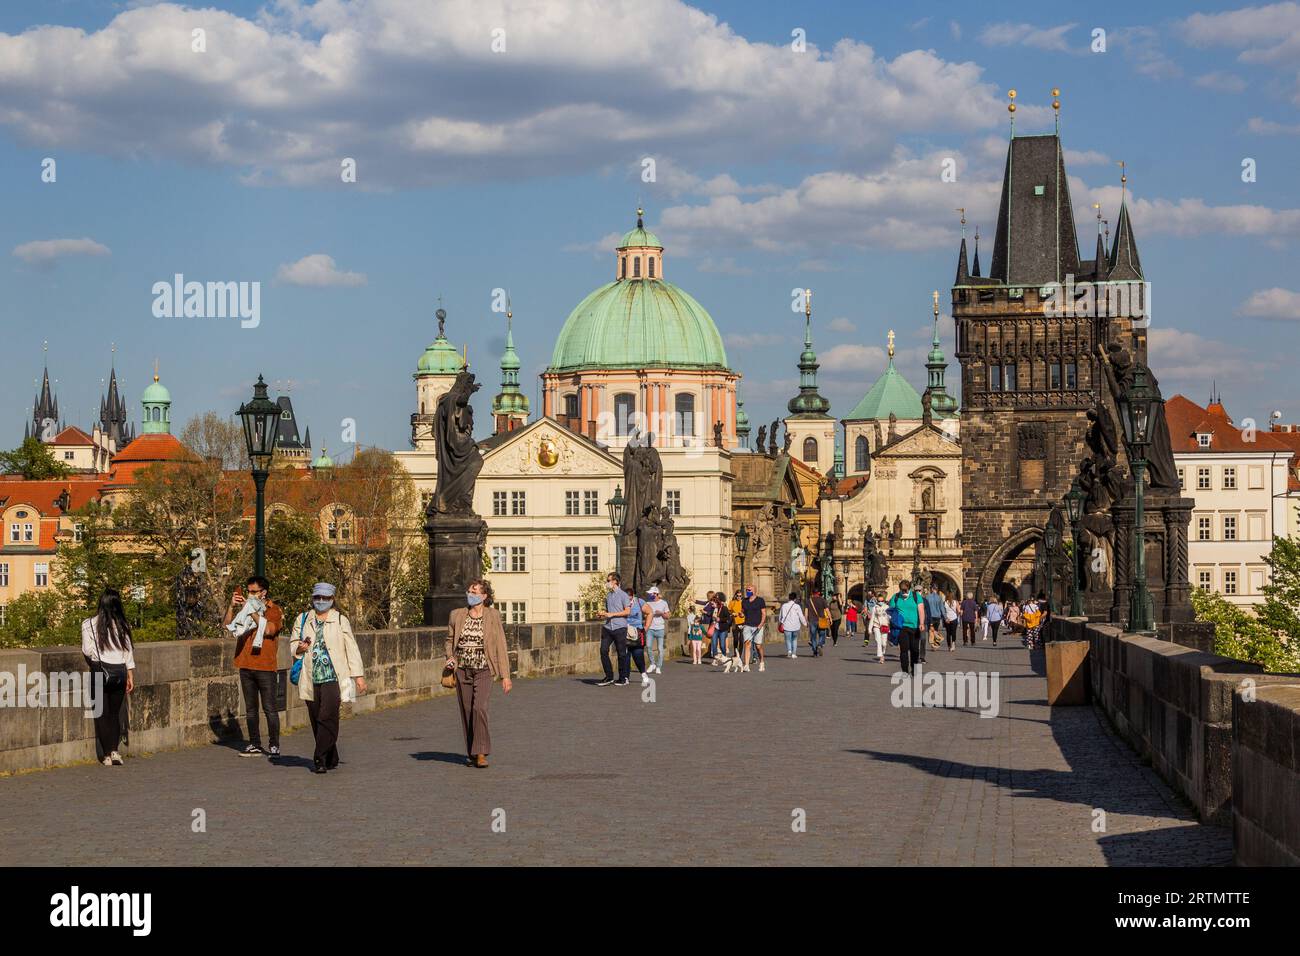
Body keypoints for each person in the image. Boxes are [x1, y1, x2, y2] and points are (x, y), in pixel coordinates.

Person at [292, 583, 366, 774]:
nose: (321, 602)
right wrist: (299, 648)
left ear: (332, 600)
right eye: (318, 598)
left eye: (325, 598)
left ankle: (319, 757)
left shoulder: (340, 620)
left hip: (335, 676)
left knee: (328, 716)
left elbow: (352, 649)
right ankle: (331, 756)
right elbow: (293, 646)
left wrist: (358, 677)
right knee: (316, 717)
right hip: (311, 676)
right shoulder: (303, 619)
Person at [445, 578, 512, 767]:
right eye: (469, 591)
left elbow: (500, 645)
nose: (470, 594)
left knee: (479, 707)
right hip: (462, 669)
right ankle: (472, 753)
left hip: (484, 668)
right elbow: (449, 640)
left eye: (474, 592)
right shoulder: (456, 615)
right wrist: (450, 657)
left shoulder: (493, 615)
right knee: (467, 711)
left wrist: (506, 676)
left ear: (484, 596)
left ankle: (481, 752)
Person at [223, 575, 284, 758]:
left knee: (270, 709)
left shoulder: (273, 610)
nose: (250, 595)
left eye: (254, 592)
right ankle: (254, 743)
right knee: (250, 709)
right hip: (246, 663)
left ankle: (274, 745)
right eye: (248, 591)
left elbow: (268, 630)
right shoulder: (244, 608)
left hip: (265, 666)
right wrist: (232, 606)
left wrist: (251, 611)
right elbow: (227, 626)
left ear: (263, 592)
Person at [81, 589, 136, 766]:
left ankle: (106, 755)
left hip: (99, 670)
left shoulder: (88, 624)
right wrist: (130, 674)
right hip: (119, 672)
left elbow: (87, 651)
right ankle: (114, 751)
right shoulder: (122, 624)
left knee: (101, 714)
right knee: (114, 714)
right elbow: (128, 652)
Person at [596, 572, 631, 686]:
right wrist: (602, 614)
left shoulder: (623, 595)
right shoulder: (608, 595)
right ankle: (609, 676)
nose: (607, 583)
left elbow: (627, 611)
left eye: (608, 580)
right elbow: (608, 612)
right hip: (608, 627)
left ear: (615, 581)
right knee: (603, 651)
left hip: (620, 627)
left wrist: (612, 614)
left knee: (621, 654)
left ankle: (622, 678)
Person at [889, 578, 925, 674]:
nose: (903, 592)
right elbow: (890, 611)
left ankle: (915, 669)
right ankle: (905, 671)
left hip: (915, 627)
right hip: (902, 627)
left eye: (905, 590)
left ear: (909, 588)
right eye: (902, 590)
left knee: (915, 650)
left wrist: (921, 623)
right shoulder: (896, 597)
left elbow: (921, 610)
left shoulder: (916, 596)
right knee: (904, 650)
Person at [625, 586, 651, 686]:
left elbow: (650, 612)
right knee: (625, 655)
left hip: (638, 631)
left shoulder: (639, 602)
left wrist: (646, 627)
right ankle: (625, 677)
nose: (628, 601)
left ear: (633, 596)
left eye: (630, 598)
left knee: (638, 654)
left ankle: (643, 674)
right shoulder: (621, 603)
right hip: (625, 631)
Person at [740, 583, 767, 673]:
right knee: (747, 644)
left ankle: (762, 661)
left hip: (757, 625)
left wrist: (761, 624)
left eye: (749, 590)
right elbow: (743, 611)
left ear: (755, 591)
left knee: (758, 646)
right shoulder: (744, 601)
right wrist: (741, 614)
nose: (748, 591)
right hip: (747, 625)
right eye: (747, 590)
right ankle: (746, 665)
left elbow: (764, 613)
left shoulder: (760, 601)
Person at [644, 586, 669, 674]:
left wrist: (661, 613)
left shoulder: (663, 603)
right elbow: (645, 614)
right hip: (650, 628)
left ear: (656, 594)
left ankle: (658, 666)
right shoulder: (647, 603)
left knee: (660, 649)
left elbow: (668, 616)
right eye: (650, 594)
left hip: (660, 628)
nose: (650, 595)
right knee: (648, 646)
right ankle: (652, 664)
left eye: (651, 594)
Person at [778, 591, 806, 658]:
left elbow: (780, 616)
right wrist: (804, 623)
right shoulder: (797, 606)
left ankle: (789, 651)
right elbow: (801, 616)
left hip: (786, 625)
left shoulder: (784, 606)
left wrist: (780, 622)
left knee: (788, 639)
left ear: (789, 598)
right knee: (794, 639)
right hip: (795, 626)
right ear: (795, 599)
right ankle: (794, 654)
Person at [807, 589, 829, 657]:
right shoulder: (822, 600)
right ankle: (819, 645)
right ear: (819, 593)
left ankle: (815, 652)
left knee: (813, 637)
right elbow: (827, 610)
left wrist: (806, 620)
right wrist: (830, 618)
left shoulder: (809, 600)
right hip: (821, 620)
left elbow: (806, 611)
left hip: (812, 620)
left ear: (812, 593)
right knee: (822, 634)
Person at [868, 596, 890, 664]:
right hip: (876, 625)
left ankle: (883, 653)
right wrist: (869, 628)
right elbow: (872, 618)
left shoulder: (887, 607)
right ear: (877, 601)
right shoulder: (875, 607)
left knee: (884, 643)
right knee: (878, 641)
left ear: (884, 601)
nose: (880, 602)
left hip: (884, 626)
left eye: (882, 601)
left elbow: (890, 617)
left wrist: (890, 626)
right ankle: (881, 657)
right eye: (879, 601)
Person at [924, 584, 945, 650]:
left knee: (931, 631)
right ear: (936, 589)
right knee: (935, 630)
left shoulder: (927, 597)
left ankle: (933, 645)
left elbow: (925, 608)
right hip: (937, 616)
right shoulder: (939, 597)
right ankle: (936, 644)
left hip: (930, 617)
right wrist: (945, 616)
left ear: (932, 589)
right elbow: (942, 608)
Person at [728, 589, 744, 658]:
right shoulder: (732, 602)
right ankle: (735, 652)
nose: (739, 597)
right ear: (735, 595)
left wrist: (743, 614)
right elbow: (728, 610)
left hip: (742, 622)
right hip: (735, 622)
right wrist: (732, 613)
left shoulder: (743, 603)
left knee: (741, 639)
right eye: (737, 596)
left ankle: (739, 655)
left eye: (740, 596)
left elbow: (746, 611)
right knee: (735, 639)